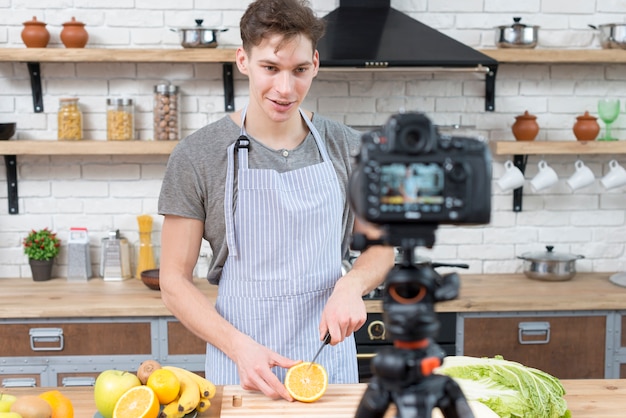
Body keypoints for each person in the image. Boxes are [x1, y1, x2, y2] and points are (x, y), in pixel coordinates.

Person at [158, 0, 394, 401]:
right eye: (270, 68)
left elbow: (382, 246)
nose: (286, 89)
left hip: (328, 365)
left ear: (315, 64)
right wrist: (238, 347)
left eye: (299, 70)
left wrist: (352, 284)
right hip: (240, 366)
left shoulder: (348, 148)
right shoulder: (198, 155)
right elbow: (173, 281)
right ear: (243, 60)